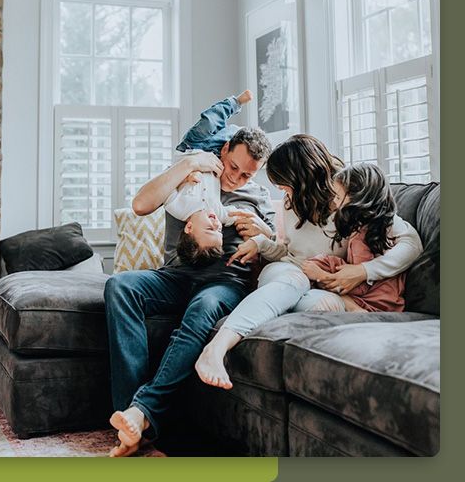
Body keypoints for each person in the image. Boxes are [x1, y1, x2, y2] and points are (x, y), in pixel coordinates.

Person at [104, 93, 275, 457]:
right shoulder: (194, 174)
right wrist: (189, 164)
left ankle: (141, 414)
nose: (237, 179)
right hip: (176, 275)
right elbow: (140, 205)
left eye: (247, 175)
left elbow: (279, 249)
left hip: (225, 281)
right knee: (120, 286)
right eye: (234, 168)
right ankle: (131, 417)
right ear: (224, 150)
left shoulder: (258, 196)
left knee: (204, 307)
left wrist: (263, 232)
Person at [194, 134, 423, 390]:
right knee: (294, 281)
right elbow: (289, 254)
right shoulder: (292, 202)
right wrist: (261, 243)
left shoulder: (349, 194)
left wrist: (363, 271)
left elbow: (412, 244)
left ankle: (247, 323)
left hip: (320, 287)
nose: (281, 191)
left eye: (284, 184)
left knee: (315, 304)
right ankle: (217, 347)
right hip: (289, 272)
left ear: (301, 177)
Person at [299, 162, 407, 313]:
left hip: (375, 304)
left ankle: (356, 311)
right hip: (390, 301)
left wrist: (320, 275)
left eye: (337, 196)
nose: (335, 203)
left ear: (356, 198)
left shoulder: (361, 239)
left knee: (320, 276)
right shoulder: (378, 229)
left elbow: (359, 287)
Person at [164, 90, 255, 265]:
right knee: (238, 136)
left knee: (210, 121)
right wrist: (265, 233)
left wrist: (184, 177)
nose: (216, 224)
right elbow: (241, 216)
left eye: (209, 229)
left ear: (189, 228)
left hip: (192, 147)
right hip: (214, 155)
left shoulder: (177, 207)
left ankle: (235, 102)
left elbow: (167, 182)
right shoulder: (219, 213)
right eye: (219, 231)